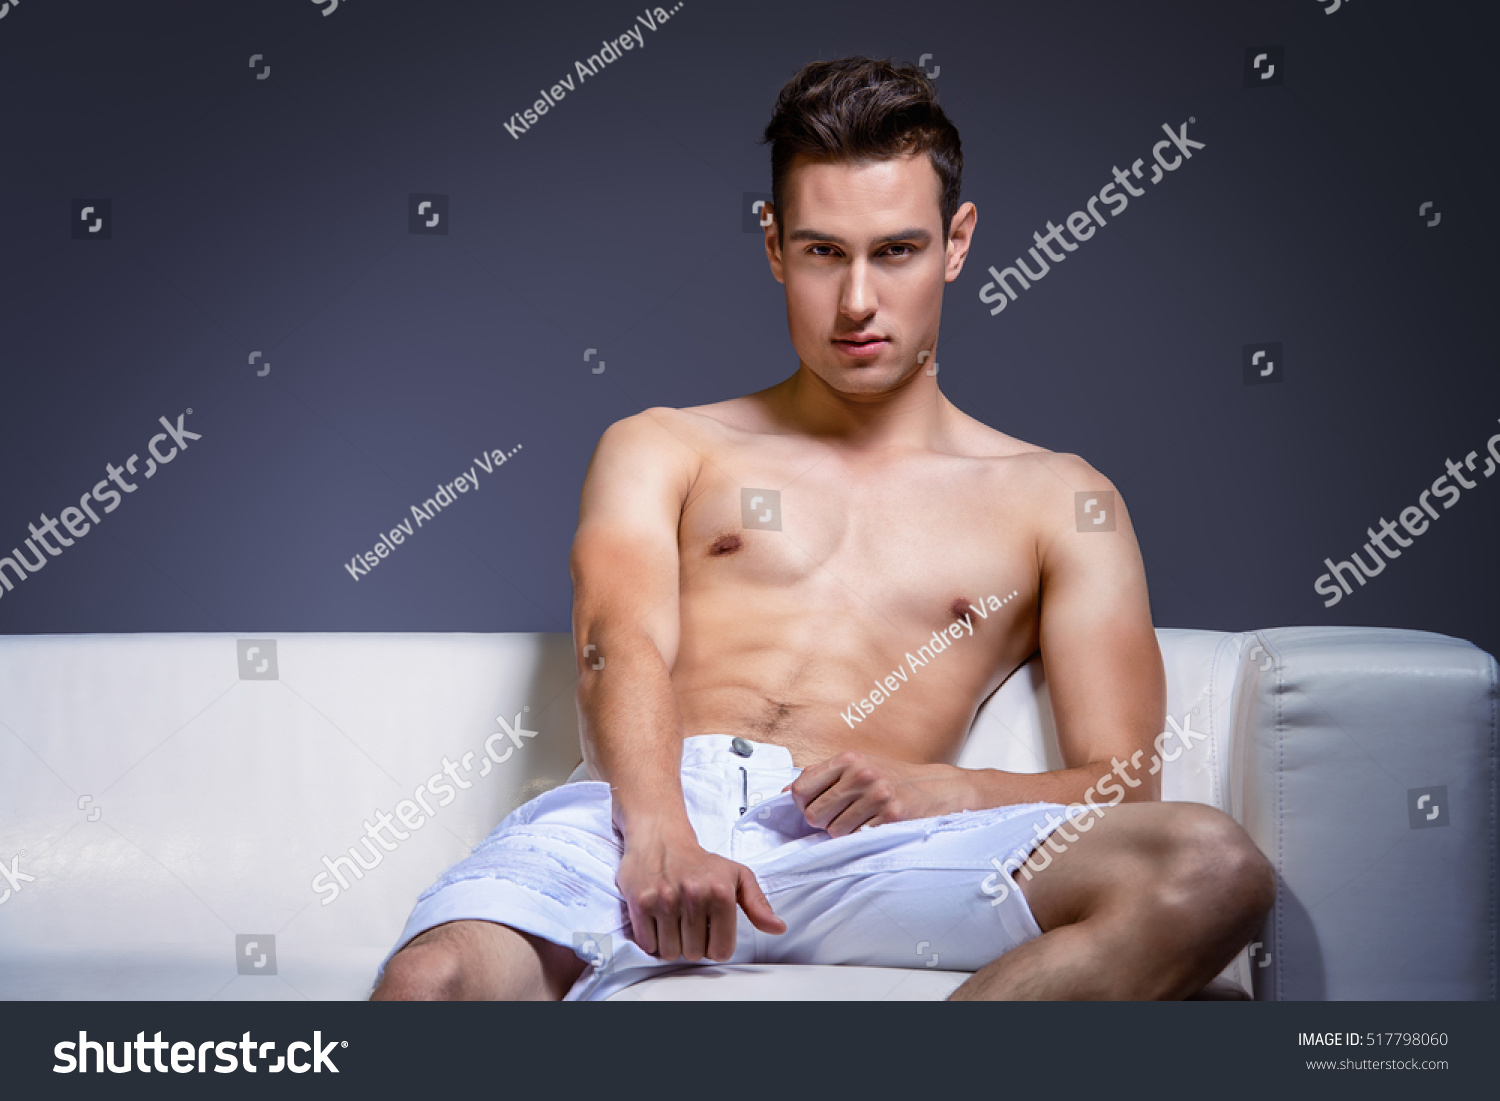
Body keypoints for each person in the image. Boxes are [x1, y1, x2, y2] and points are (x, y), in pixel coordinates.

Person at [370, 56, 1274, 1002]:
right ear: (772, 244)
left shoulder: (1060, 498)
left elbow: (1122, 782)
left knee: (1210, 866)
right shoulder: (667, 445)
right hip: (637, 816)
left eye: (896, 250)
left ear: (957, 242)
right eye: (821, 252)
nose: (856, 303)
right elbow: (616, 639)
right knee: (429, 980)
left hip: (869, 844)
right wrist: (661, 828)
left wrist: (947, 788)